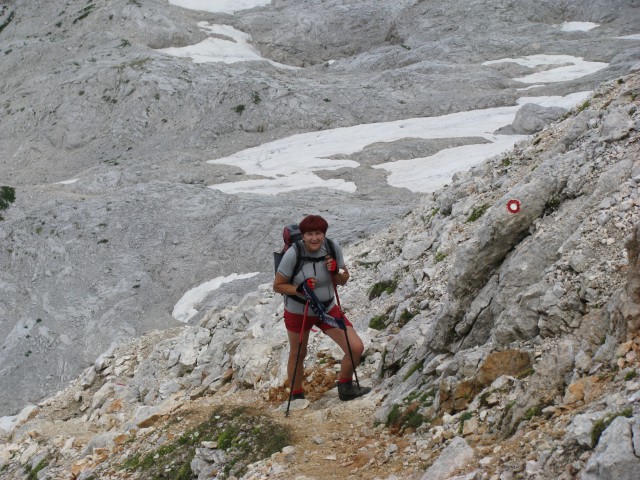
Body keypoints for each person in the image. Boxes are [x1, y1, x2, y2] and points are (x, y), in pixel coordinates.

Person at [273, 214, 371, 401]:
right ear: (303, 235)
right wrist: (300, 289)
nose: (314, 238)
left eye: (318, 233)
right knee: (298, 353)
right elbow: (277, 285)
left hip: (326, 309)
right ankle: (296, 395)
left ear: (324, 234)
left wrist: (335, 271)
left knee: (355, 348)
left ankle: (345, 387)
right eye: (310, 234)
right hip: (298, 311)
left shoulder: (332, 248)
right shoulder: (293, 253)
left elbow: (343, 279)